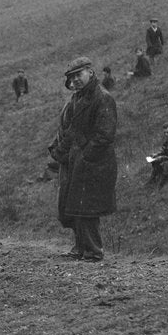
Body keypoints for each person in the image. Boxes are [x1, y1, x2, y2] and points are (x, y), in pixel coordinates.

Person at [48, 56, 117, 263]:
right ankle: (80, 247)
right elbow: (69, 129)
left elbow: (105, 135)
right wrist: (58, 151)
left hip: (93, 163)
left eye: (79, 75)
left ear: (90, 73)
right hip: (74, 160)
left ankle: (94, 251)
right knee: (72, 206)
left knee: (87, 208)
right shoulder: (77, 98)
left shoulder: (102, 98)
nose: (75, 80)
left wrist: (85, 156)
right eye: (71, 77)